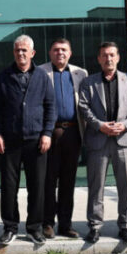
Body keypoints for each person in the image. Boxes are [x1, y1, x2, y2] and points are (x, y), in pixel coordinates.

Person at [0, 35, 57, 247]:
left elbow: (51, 107)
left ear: (32, 53)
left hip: (36, 141)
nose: (21, 53)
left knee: (37, 186)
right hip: (10, 141)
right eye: (17, 50)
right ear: (13, 53)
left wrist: (47, 133)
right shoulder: (4, 76)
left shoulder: (42, 76)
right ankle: (10, 227)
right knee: (9, 187)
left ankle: (34, 228)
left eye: (24, 50)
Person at [77, 41, 127, 243]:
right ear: (99, 59)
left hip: (123, 139)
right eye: (104, 55)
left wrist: (125, 125)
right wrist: (100, 125)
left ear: (118, 57)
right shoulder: (88, 82)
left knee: (125, 186)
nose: (108, 58)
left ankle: (125, 225)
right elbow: (83, 107)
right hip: (98, 139)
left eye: (112, 55)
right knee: (96, 186)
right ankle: (95, 226)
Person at [37, 38, 88, 239]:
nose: (60, 53)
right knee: (48, 181)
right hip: (49, 134)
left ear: (70, 53)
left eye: (64, 50)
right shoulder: (40, 72)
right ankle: (48, 223)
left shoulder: (80, 73)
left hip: (73, 133)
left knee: (68, 181)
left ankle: (66, 224)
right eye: (56, 50)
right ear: (50, 53)